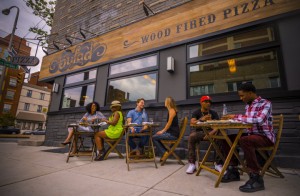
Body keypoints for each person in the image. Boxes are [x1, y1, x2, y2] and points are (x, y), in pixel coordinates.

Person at [221, 83, 275, 193]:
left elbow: (259, 119)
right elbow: (247, 120)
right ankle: (233, 170)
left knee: (245, 140)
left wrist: (236, 116)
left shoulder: (265, 103)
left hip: (264, 137)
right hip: (252, 135)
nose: (241, 98)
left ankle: (256, 178)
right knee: (226, 138)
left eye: (242, 96)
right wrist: (232, 120)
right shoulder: (248, 106)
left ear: (250, 93)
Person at [186, 95, 219, 174]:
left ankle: (218, 163)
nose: (208, 104)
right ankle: (192, 164)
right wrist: (201, 119)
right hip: (200, 133)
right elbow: (192, 122)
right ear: (201, 103)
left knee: (220, 137)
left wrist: (211, 132)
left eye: (209, 102)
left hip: (212, 132)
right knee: (191, 137)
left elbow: (218, 125)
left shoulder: (213, 113)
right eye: (206, 102)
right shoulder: (197, 112)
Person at [152, 96, 180, 161]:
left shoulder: (172, 110)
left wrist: (162, 131)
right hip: (171, 133)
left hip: (173, 134)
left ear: (168, 102)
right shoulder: (170, 110)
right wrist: (162, 131)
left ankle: (164, 152)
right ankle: (164, 152)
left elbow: (169, 123)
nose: (164, 102)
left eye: (165, 101)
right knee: (156, 136)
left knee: (154, 137)